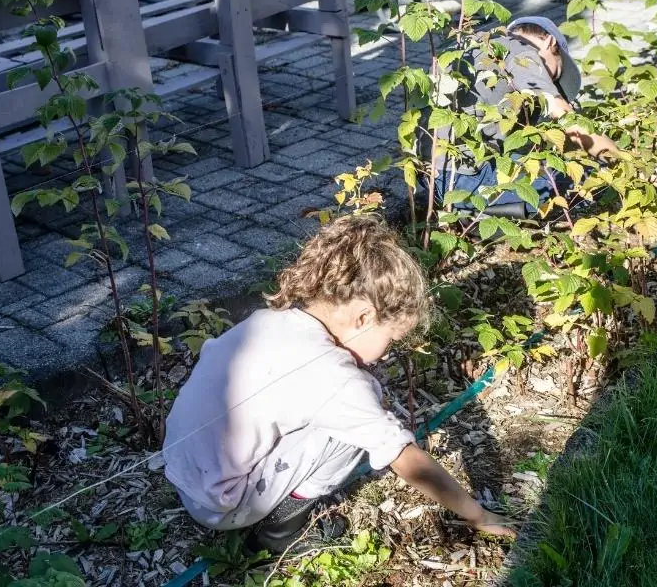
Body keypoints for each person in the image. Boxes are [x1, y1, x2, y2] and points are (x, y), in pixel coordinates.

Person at [162, 215, 516, 553]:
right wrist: (477, 514)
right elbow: (404, 458)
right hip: (220, 504)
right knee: (359, 416)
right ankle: (279, 532)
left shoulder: (271, 321)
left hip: (182, 470)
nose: (386, 352)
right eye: (391, 339)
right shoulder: (332, 377)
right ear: (364, 316)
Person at [421, 16, 620, 219]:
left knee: (533, 159)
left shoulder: (480, 45)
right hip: (461, 180)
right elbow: (568, 120)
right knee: (576, 176)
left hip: (428, 176)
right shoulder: (524, 53)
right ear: (550, 43)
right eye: (556, 73)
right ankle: (477, 214)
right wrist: (625, 166)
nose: (551, 81)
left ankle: (467, 209)